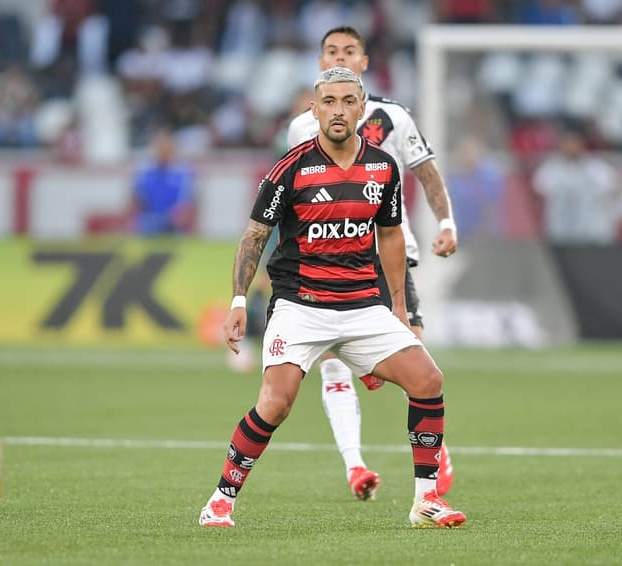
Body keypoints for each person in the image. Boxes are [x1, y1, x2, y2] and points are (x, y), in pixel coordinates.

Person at [198, 66, 466, 529]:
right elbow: (254, 237)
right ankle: (220, 500)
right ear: (314, 109)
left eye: (348, 101)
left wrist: (398, 308)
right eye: (329, 101)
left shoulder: (383, 167)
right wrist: (239, 302)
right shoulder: (289, 168)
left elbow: (391, 236)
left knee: (428, 380)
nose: (339, 110)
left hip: (363, 306)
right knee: (276, 403)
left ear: (362, 109)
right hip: (301, 307)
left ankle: (426, 502)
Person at [286, 26, 458, 500]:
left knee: (415, 356)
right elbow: (290, 202)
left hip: (389, 254)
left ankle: (434, 451)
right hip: (329, 264)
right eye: (330, 51)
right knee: (333, 367)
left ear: (364, 62)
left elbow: (426, 172)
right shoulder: (302, 127)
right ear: (320, 62)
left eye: (348, 51)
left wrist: (447, 223)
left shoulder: (394, 117)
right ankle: (355, 466)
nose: (338, 57)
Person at [532, 125, 619, 244]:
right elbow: (538, 191)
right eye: (567, 142)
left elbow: (615, 188)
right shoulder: (550, 169)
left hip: (593, 233)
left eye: (574, 142)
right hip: (559, 231)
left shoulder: (597, 169)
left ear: (582, 144)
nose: (570, 146)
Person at [129, 129, 196, 236]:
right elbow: (136, 203)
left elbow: (189, 205)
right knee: (147, 224)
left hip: (174, 222)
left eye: (166, 148)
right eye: (160, 148)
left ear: (172, 149)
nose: (163, 152)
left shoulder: (183, 174)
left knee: (172, 224)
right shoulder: (144, 173)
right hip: (150, 220)